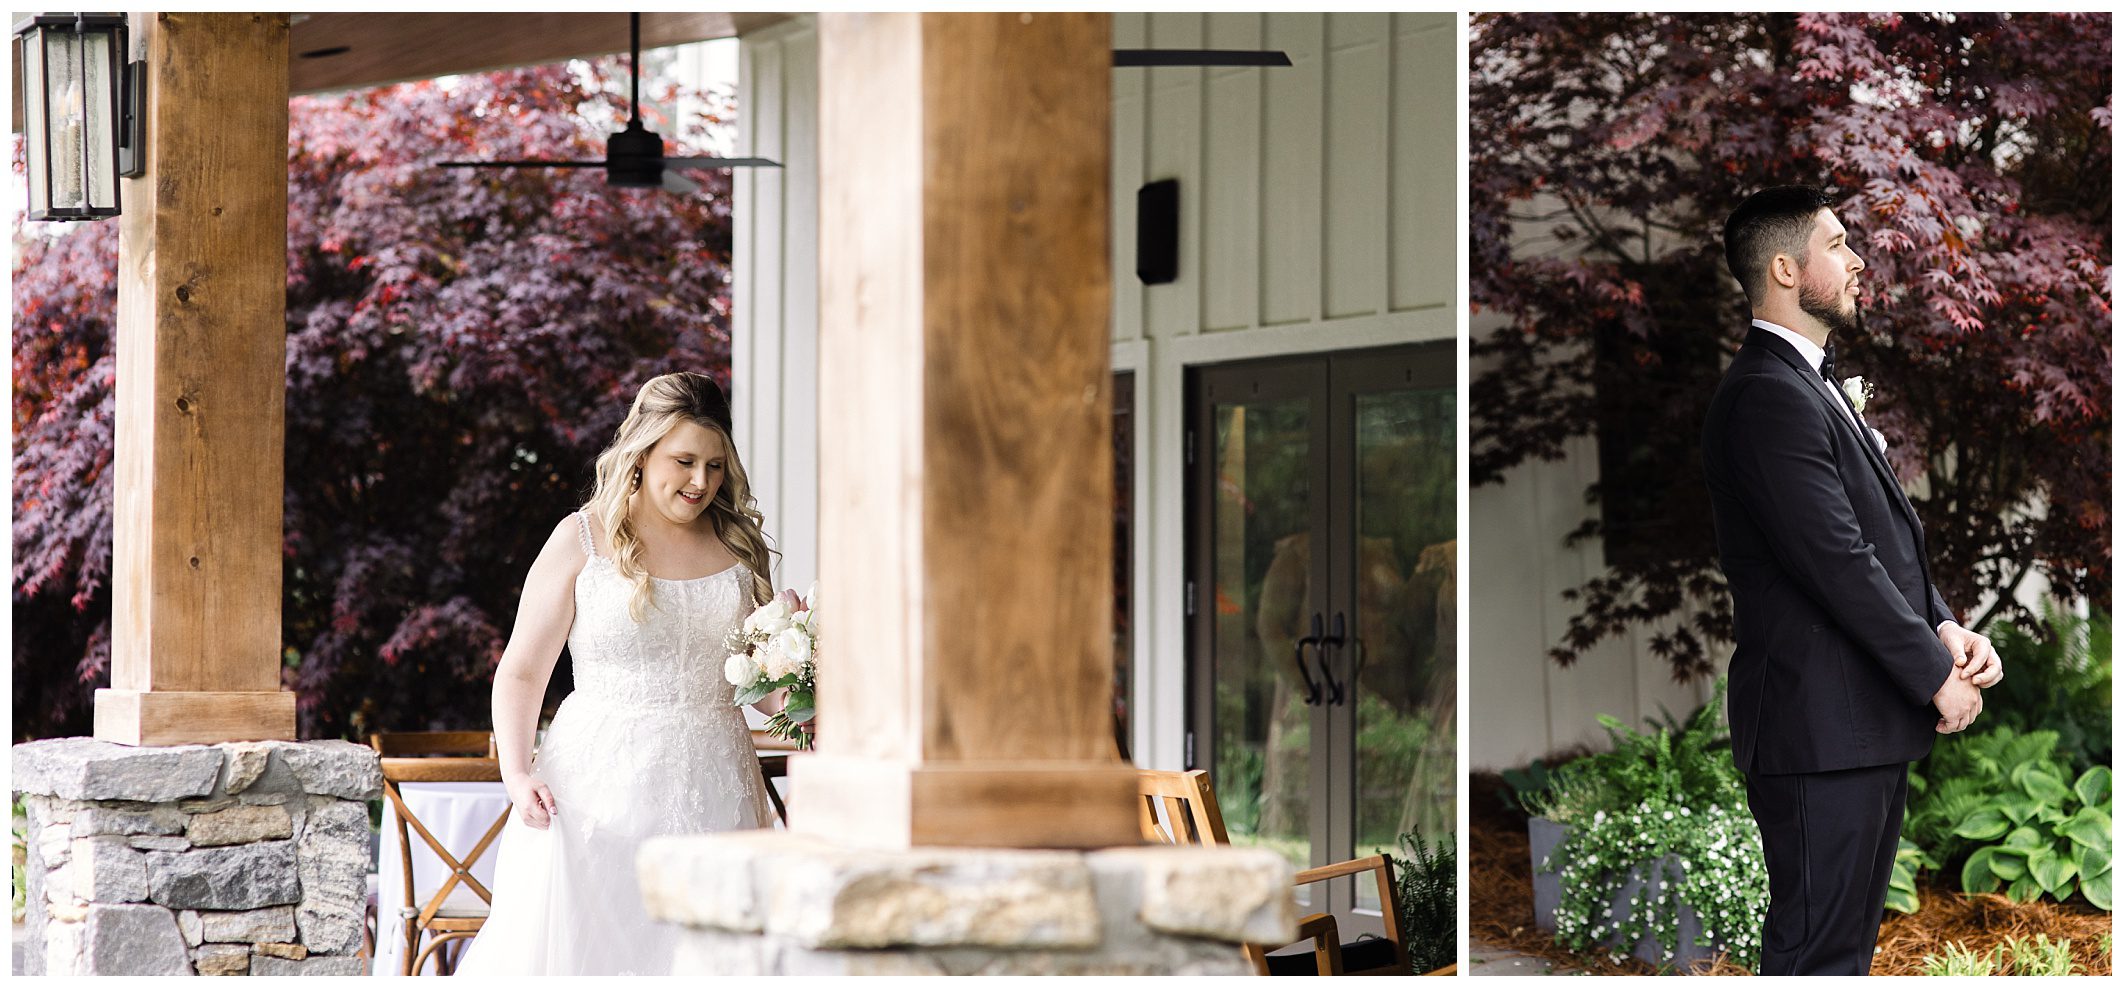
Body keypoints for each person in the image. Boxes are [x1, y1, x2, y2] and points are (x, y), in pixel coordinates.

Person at [1700, 186, 2003, 976]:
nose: (1858, 257)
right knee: (1816, 957)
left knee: (1843, 956)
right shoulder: (1767, 395)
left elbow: (1879, 542)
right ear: (1785, 268)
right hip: (1816, 731)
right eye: (1837, 243)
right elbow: (1835, 562)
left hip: (1850, 726)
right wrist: (1935, 677)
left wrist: (1945, 626)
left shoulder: (1809, 384)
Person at [455, 372, 785, 975]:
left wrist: (806, 674)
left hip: (717, 787)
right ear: (642, 449)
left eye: (715, 465)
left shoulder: (739, 548)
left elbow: (760, 689)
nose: (701, 482)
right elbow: (523, 670)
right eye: (684, 461)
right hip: (593, 797)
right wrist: (517, 770)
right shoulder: (581, 538)